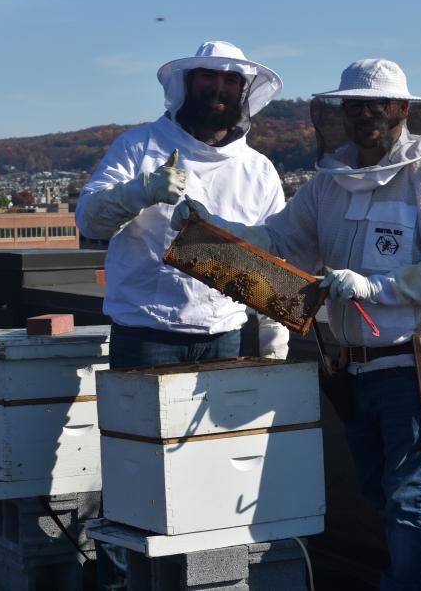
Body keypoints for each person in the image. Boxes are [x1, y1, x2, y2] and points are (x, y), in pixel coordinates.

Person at [173, 58, 421, 591]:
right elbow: (278, 245)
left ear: (403, 110)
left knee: (411, 501)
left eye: (379, 105)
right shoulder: (328, 185)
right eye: (354, 106)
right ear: (338, 114)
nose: (365, 115)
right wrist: (208, 228)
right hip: (353, 369)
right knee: (379, 494)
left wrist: (379, 287)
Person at [76, 41, 290, 588]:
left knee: (208, 476)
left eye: (229, 84)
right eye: (208, 81)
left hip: (222, 338)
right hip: (146, 334)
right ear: (187, 86)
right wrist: (143, 190)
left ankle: (199, 581)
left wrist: (271, 350)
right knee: (134, 470)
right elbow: (90, 217)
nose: (218, 92)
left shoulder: (258, 170)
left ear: (244, 94)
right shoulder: (141, 146)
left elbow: (271, 265)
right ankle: (122, 582)